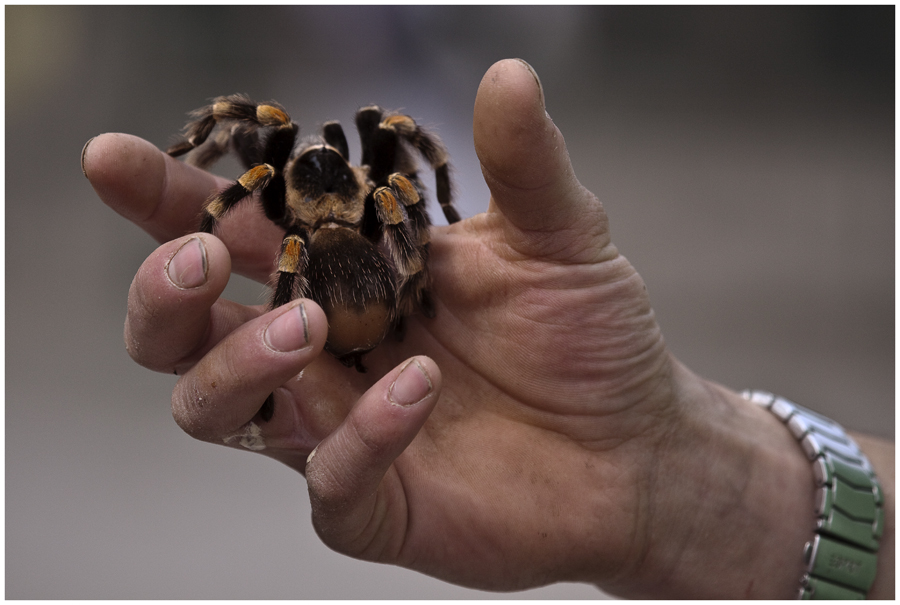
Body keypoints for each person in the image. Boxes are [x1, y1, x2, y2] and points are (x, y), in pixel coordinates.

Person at [82, 58, 893, 598]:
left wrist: (233, 211)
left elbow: (247, 180)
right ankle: (319, 325)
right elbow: (393, 185)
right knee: (365, 199)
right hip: (361, 282)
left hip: (332, 284)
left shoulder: (287, 190)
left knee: (315, 223)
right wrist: (421, 239)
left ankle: (305, 328)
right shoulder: (373, 198)